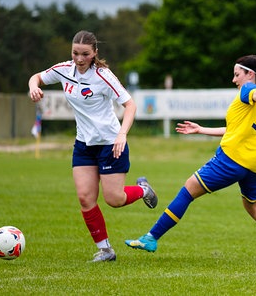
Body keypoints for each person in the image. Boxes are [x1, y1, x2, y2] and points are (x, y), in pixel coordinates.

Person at [125, 55, 256, 260]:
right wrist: (200, 129)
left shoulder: (248, 90)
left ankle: (151, 238)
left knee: (189, 189)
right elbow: (233, 129)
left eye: (237, 74)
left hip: (232, 159)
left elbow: (255, 93)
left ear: (249, 74)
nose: (234, 80)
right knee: (254, 207)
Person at [28, 30, 158, 262]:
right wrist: (33, 87)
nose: (79, 59)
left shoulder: (103, 76)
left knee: (114, 199)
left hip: (110, 144)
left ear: (95, 53)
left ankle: (144, 190)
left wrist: (122, 134)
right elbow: (36, 77)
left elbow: (130, 105)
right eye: (75, 53)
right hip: (83, 145)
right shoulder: (64, 70)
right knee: (85, 198)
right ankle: (106, 250)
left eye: (85, 54)